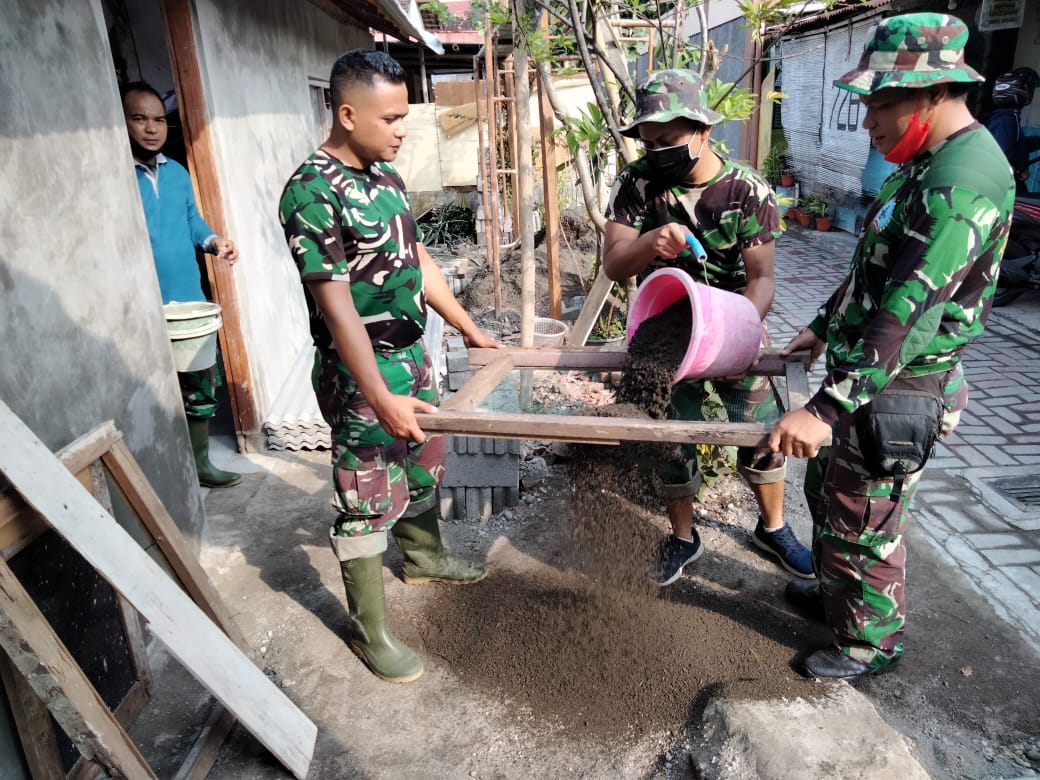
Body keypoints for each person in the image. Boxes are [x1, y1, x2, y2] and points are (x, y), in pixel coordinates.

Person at [769, 12, 1015, 680]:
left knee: (865, 515)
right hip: (868, 374)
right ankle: (837, 594)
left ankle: (870, 642)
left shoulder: (961, 184)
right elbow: (875, 268)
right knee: (832, 492)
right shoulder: (929, 163)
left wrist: (821, 410)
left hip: (899, 384)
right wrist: (822, 325)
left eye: (884, 104)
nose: (871, 123)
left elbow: (905, 315)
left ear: (935, 94)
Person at [278, 50, 499, 683]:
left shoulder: (385, 177)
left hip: (411, 355)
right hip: (361, 374)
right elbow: (338, 309)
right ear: (348, 114)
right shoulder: (311, 193)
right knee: (366, 496)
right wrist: (379, 398)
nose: (404, 129)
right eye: (393, 117)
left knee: (426, 463)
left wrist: (469, 327)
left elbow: (419, 261)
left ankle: (425, 556)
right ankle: (371, 633)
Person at [603, 69, 813, 586]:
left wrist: (735, 327)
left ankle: (773, 527)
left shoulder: (747, 190)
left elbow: (762, 279)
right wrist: (652, 241)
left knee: (762, 428)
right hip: (669, 332)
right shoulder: (637, 184)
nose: (655, 152)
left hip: (737, 321)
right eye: (648, 143)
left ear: (701, 130)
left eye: (667, 141)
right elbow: (613, 264)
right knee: (671, 435)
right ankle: (683, 536)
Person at [122, 81, 242, 488]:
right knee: (153, 391)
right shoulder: (116, 174)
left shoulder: (176, 173)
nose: (152, 128)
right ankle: (162, 474)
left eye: (158, 119)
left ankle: (200, 465)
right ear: (122, 122)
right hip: (141, 306)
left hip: (188, 299)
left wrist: (214, 242)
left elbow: (192, 220)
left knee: (199, 387)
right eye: (139, 118)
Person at [984, 66, 1040, 193]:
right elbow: (1000, 155)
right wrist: (1019, 170)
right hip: (1001, 190)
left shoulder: (1006, 117)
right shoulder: (1006, 120)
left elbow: (1018, 144)